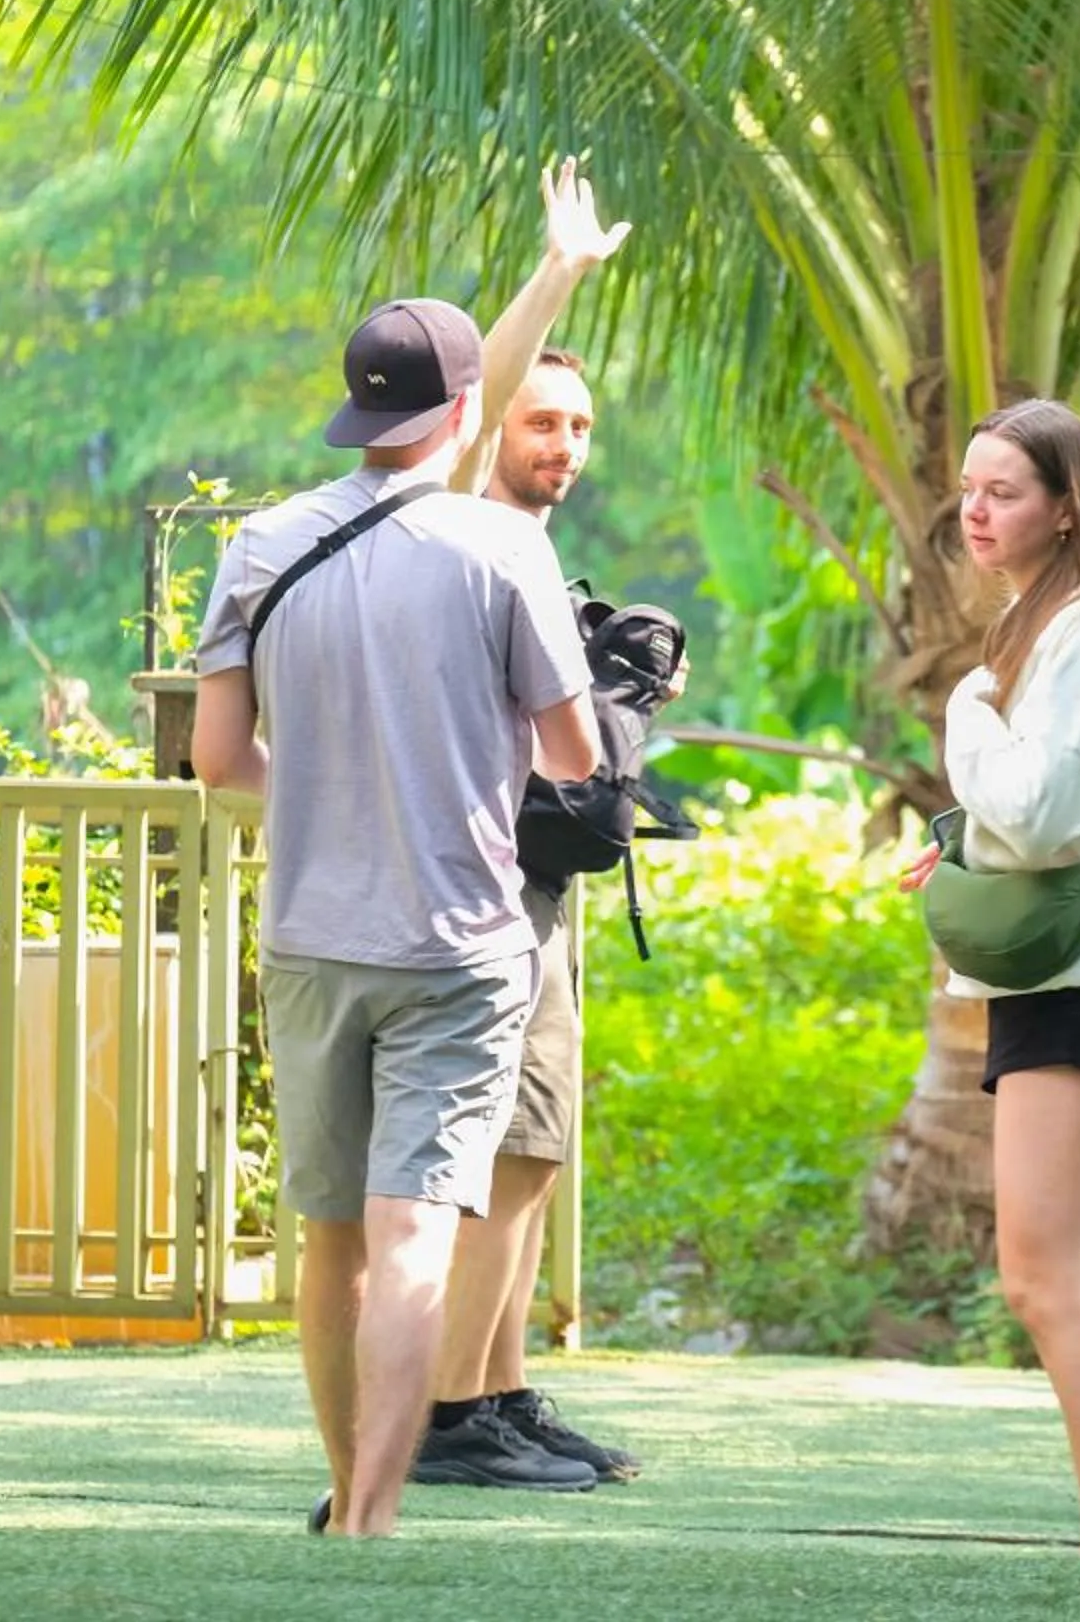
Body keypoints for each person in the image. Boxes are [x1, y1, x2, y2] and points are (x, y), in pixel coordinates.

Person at [189, 164, 628, 1540]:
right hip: (462, 945)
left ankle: (341, 1488)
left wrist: (329, 798)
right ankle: (376, 1515)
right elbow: (571, 760)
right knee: (414, 1233)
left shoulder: (262, 545)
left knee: (325, 1242)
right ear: (465, 416)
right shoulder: (506, 551)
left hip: (313, 934)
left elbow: (217, 763)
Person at [900, 398, 1080, 1560]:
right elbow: (1037, 809)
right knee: (1059, 1276)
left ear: (1067, 503)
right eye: (968, 487)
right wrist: (972, 828)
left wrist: (968, 712)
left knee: (1048, 1276)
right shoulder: (1051, 617)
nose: (975, 508)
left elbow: (1047, 810)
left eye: (1004, 489)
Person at [420, 347, 643, 1491]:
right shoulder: (457, 518)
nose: (564, 444)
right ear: (484, 423)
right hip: (482, 885)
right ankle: (449, 1411)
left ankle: (499, 1390)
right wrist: (558, 271)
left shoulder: (534, 547)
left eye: (580, 425)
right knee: (507, 1150)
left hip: (535, 885)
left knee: (539, 1147)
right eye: (541, 420)